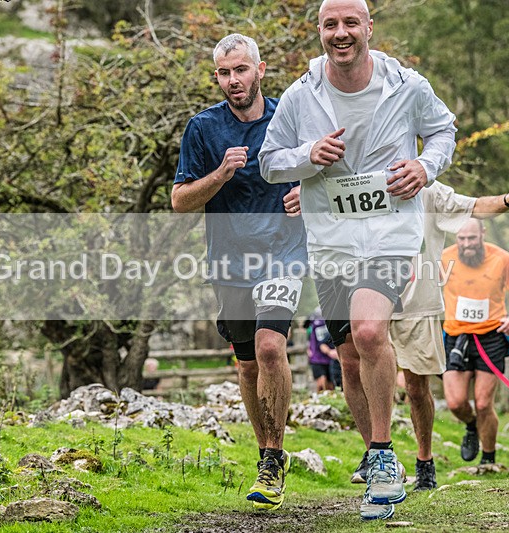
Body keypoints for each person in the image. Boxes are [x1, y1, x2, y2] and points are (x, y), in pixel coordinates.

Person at [259, 0, 456, 520]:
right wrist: (307, 157)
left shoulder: (406, 86)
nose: (340, 33)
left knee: (371, 333)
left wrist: (424, 167)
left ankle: (386, 458)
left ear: (369, 27)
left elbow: (443, 131)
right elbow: (269, 162)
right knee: (348, 357)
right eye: (330, 25)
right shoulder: (302, 96)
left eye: (351, 23)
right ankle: (375, 452)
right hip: (330, 240)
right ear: (319, 32)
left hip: (391, 232)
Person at [171, 33, 307, 511]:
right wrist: (220, 175)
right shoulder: (203, 129)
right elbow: (180, 202)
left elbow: (326, 172)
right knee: (247, 363)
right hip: (229, 261)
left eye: (241, 70)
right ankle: (265, 448)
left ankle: (272, 459)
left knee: (271, 347)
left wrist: (306, 198)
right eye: (225, 73)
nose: (234, 81)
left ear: (260, 70)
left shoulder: (290, 118)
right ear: (217, 78)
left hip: (284, 252)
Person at [347, 175, 509, 491]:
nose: (466, 244)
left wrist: (507, 199)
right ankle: (375, 454)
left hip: (430, 312)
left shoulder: (429, 191)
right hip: (377, 298)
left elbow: (473, 205)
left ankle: (427, 464)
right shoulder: (358, 179)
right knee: (358, 371)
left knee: (420, 388)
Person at [441, 219, 509, 466]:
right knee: (456, 402)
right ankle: (471, 426)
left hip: (491, 336)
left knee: (483, 403)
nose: (467, 244)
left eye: (471, 238)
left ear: (482, 234)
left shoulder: (501, 259)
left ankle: (488, 460)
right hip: (455, 336)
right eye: (461, 239)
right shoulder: (444, 258)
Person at [304, 310, 336, 392]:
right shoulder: (314, 316)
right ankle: (320, 400)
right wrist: (309, 348)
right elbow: (306, 330)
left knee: (331, 385)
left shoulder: (334, 316)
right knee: (321, 383)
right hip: (316, 357)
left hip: (331, 357)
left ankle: (328, 401)